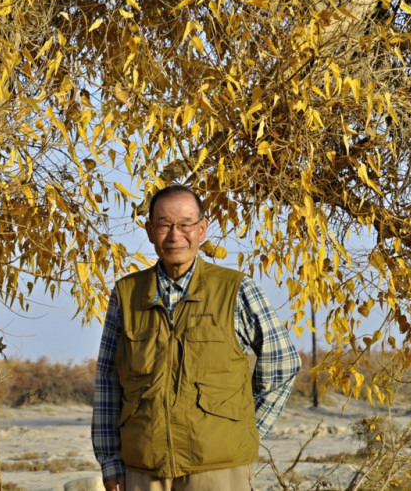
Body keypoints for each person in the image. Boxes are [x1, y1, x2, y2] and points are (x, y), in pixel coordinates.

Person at [92, 185, 301, 491]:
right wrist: (110, 460)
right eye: (164, 225)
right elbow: (108, 381)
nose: (175, 235)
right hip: (143, 469)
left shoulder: (237, 289)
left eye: (185, 224)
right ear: (149, 231)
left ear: (202, 230)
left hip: (219, 470)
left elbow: (282, 364)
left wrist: (248, 431)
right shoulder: (126, 294)